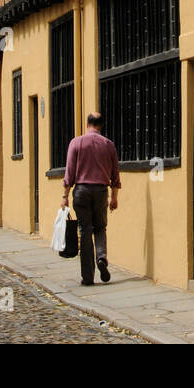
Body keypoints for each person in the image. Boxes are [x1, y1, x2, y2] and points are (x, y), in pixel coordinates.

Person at [62, 112, 120, 286]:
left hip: (81, 191)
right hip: (101, 191)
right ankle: (101, 257)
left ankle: (88, 276)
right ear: (101, 126)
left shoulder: (76, 143)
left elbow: (69, 173)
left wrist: (65, 196)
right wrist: (114, 197)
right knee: (100, 227)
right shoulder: (109, 145)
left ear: (87, 124)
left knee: (85, 231)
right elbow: (115, 175)